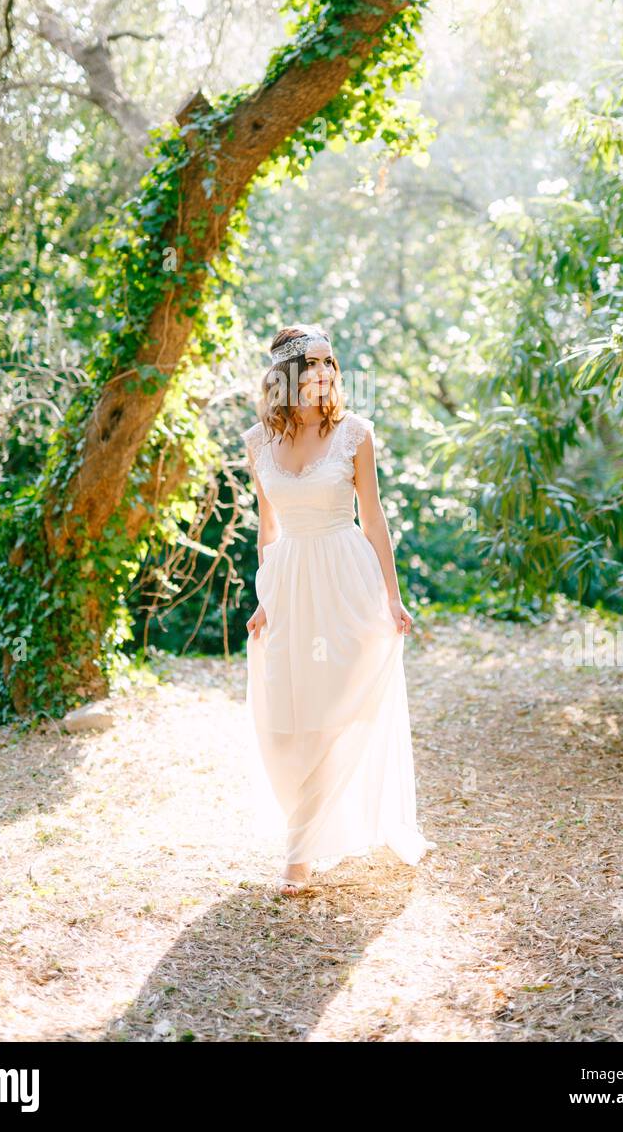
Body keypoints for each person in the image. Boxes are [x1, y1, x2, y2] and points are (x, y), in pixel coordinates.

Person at [240, 323, 436, 896]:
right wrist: (264, 597)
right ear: (288, 376)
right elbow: (268, 525)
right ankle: (312, 827)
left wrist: (393, 598)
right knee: (283, 721)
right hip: (288, 582)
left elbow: (373, 521)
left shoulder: (355, 434)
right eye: (316, 364)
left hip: (348, 580)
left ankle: (298, 854)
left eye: (332, 363)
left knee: (334, 710)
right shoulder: (258, 442)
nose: (326, 373)